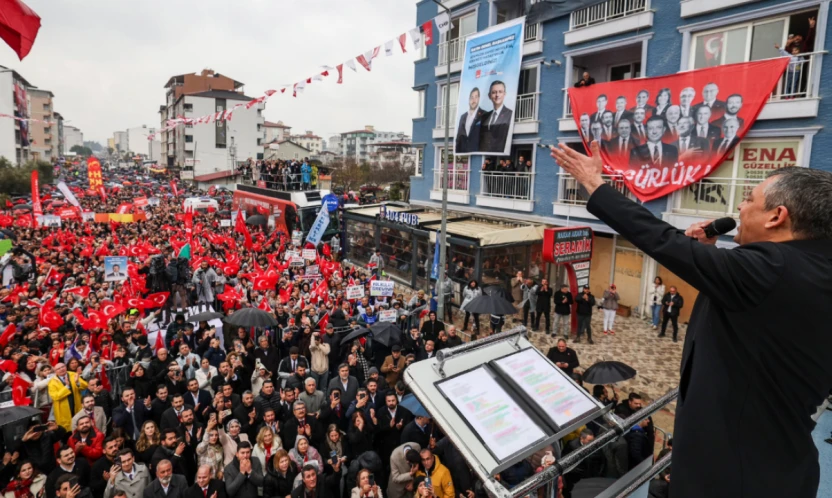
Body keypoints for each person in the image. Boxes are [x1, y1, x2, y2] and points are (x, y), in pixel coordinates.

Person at [551, 140, 832, 498]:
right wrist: (712, 264)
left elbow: (662, 239)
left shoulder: (773, 269)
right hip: (783, 465)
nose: (740, 207)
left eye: (748, 199)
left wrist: (595, 184)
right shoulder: (812, 270)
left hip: (730, 475)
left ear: (777, 216)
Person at [48, 362, 88, 431]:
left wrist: (77, 382)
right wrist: (67, 387)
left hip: (76, 406)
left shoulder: (73, 375)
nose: (61, 369)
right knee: (66, 430)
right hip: (63, 410)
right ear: (55, 371)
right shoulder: (52, 382)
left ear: (66, 367)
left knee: (79, 426)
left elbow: (85, 386)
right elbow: (55, 396)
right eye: (58, 369)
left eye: (62, 367)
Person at [479, 81, 514, 153]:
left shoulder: (510, 114)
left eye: (500, 92)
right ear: (489, 95)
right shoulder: (485, 116)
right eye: (494, 92)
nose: (497, 95)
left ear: (504, 94)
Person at [455, 88, 484, 153]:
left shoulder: (484, 115)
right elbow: (458, 138)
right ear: (469, 100)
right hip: (463, 154)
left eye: (476, 97)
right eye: (472, 97)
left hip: (476, 152)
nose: (473, 100)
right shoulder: (463, 117)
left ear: (479, 98)